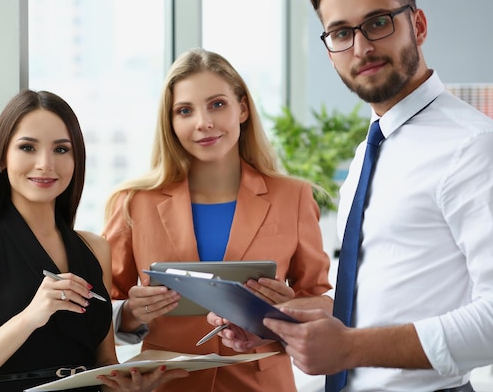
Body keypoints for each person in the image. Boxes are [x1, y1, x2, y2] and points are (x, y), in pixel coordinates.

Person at [209, 0, 493, 391]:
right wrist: (278, 326)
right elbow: (379, 304)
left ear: (419, 25)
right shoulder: (368, 153)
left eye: (377, 23)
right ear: (329, 49)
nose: (361, 47)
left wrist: (351, 348)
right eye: (341, 33)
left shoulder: (476, 146)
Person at [102, 48, 332, 392]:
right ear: (171, 122)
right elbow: (101, 310)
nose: (203, 122)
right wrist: (132, 313)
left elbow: (323, 301)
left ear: (242, 108)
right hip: (167, 385)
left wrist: (286, 307)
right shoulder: (133, 203)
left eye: (217, 104)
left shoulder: (293, 196)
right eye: (185, 111)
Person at [0, 89, 188, 392]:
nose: (46, 164)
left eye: (61, 150)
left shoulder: (95, 248)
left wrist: (133, 385)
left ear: (76, 160)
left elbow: (105, 364)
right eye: (28, 148)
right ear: (2, 157)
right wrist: (32, 315)